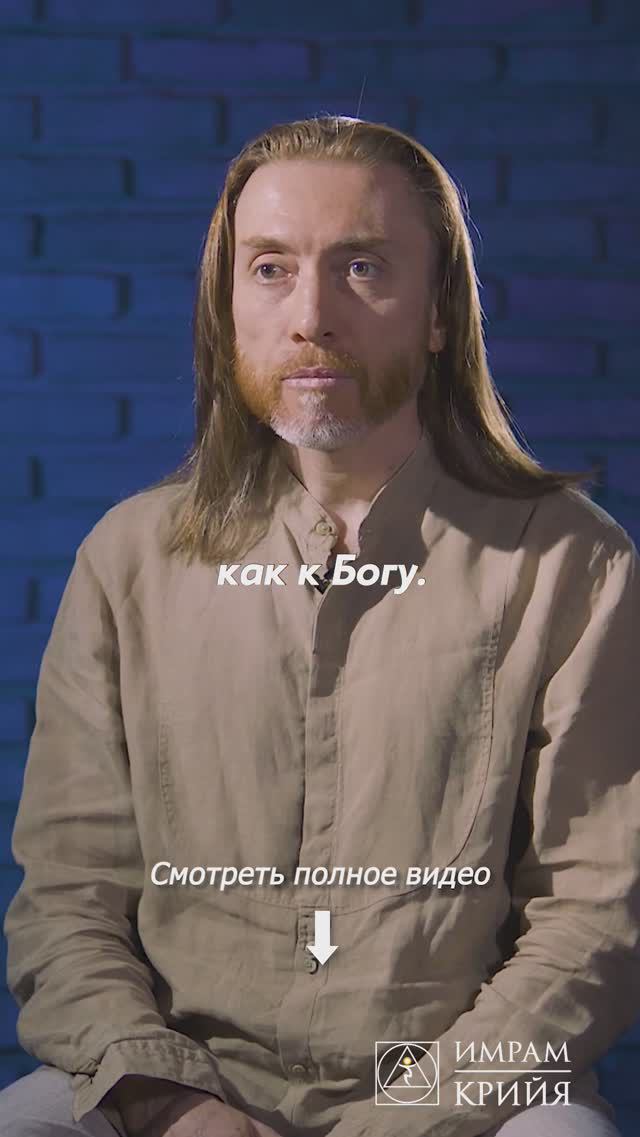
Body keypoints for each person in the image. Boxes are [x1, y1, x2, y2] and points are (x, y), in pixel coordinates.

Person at [1, 115, 638, 1137]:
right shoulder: (126, 561)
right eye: (271, 269)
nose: (311, 317)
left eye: (362, 268)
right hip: (180, 1084)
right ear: (229, 307)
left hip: (468, 1101)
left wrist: (407, 1117)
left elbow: (594, 916)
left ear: (439, 313)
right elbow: (68, 898)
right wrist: (174, 1103)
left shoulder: (573, 562)